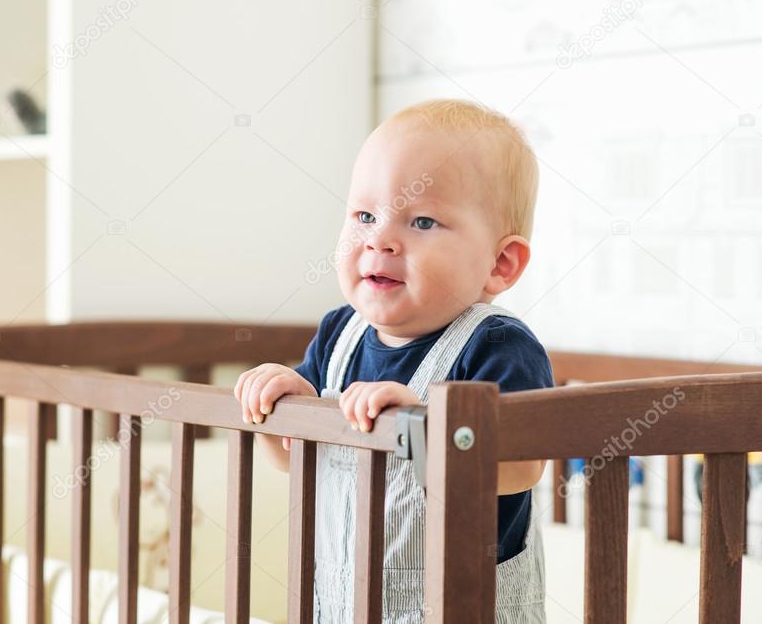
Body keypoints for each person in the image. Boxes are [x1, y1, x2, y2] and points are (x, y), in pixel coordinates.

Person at [234, 98, 553, 622]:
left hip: (465, 606)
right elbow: (299, 460)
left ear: (500, 263)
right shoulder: (340, 336)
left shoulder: (496, 346)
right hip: (343, 602)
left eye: (423, 221)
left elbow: (522, 469)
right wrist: (275, 407)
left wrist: (427, 428)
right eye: (364, 215)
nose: (379, 238)